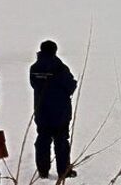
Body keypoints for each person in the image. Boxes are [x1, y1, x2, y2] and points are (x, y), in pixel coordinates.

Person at [29, 40, 78, 179]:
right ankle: (64, 171)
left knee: (42, 141)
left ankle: (43, 171)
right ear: (55, 51)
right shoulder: (60, 68)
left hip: (41, 111)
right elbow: (70, 86)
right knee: (61, 142)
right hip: (60, 112)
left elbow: (34, 85)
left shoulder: (34, 68)